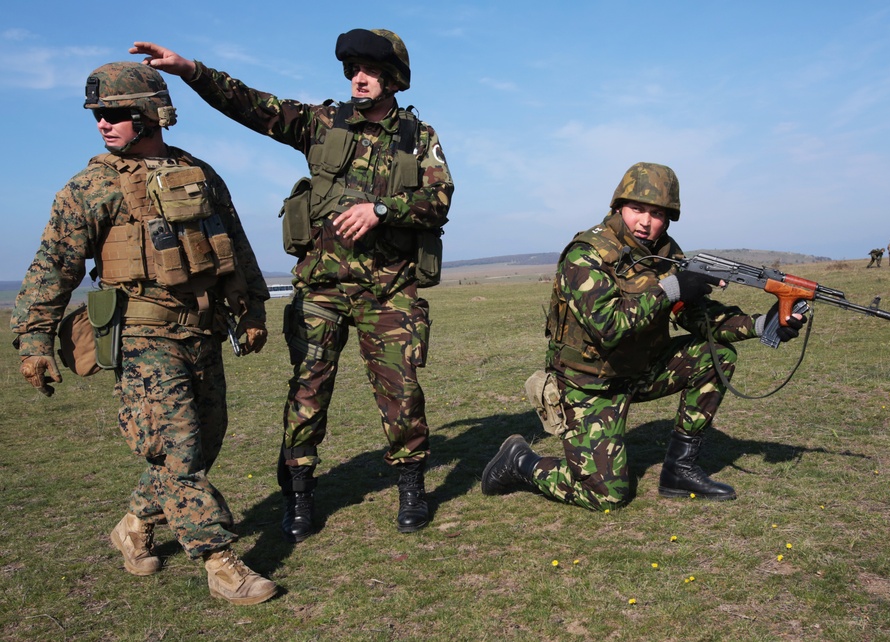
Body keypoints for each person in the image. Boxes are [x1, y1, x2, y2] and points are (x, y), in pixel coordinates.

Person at [131, 31, 454, 540]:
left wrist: (382, 209)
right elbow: (251, 105)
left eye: (369, 70)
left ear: (393, 78)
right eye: (351, 71)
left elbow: (440, 199)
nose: (358, 79)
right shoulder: (320, 123)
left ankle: (411, 486)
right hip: (321, 288)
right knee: (307, 394)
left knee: (403, 393)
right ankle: (299, 494)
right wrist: (191, 69)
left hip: (389, 290)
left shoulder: (418, 136)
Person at [10, 62, 276, 605]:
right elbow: (52, 266)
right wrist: (34, 340)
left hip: (201, 330)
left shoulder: (200, 174)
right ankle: (221, 562)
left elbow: (237, 249)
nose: (103, 124)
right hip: (140, 337)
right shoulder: (89, 188)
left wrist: (250, 313)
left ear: (151, 113)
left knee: (200, 444)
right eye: (98, 116)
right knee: (176, 449)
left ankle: (134, 524)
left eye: (115, 114)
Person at [481, 163, 803, 510]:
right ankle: (520, 461)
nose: (645, 222)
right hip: (590, 385)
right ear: (619, 207)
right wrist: (670, 289)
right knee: (606, 496)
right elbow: (608, 327)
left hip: (640, 372)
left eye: (657, 213)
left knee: (716, 355)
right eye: (637, 209)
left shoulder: (666, 254)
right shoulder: (586, 254)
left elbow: (695, 317)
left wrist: (759, 326)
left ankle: (680, 470)